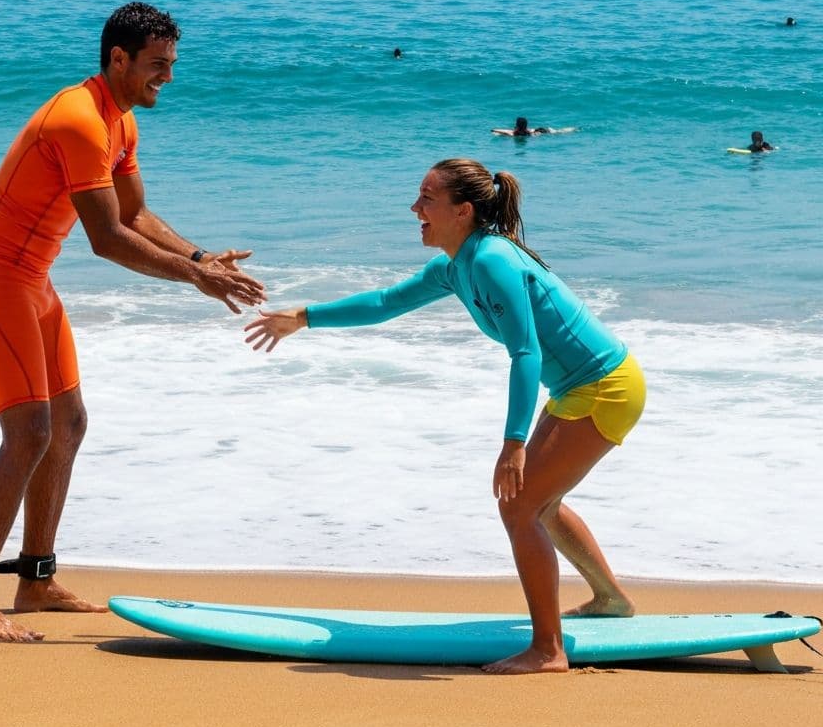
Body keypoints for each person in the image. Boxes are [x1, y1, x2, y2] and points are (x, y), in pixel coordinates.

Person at [244, 158, 644, 674]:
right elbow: (386, 303)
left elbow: (526, 354)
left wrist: (514, 442)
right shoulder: (456, 266)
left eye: (427, 199)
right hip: (583, 387)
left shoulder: (492, 261)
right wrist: (304, 317)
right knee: (537, 504)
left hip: (605, 386)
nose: (415, 209)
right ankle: (611, 600)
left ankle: (549, 650)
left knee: (519, 506)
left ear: (463, 211)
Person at [0, 1, 266, 642]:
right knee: (29, 431)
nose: (168, 78)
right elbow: (106, 239)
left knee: (68, 422)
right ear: (117, 58)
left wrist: (201, 258)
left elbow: (136, 216)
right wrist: (193, 278)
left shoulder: (119, 123)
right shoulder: (78, 122)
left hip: (32, 281)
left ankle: (35, 581)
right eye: (157, 65)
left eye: (172, 65)